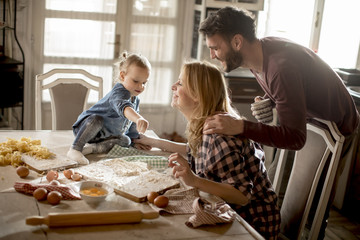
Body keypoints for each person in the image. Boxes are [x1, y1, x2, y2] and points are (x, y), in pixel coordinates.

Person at [198, 6, 360, 238]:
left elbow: (295, 137)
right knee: (280, 191)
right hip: (311, 120)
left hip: (337, 125)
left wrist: (241, 126)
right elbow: (296, 85)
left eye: (215, 48)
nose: (212, 54)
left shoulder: (280, 68)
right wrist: (270, 99)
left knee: (313, 208)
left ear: (236, 42)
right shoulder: (257, 53)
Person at [135, 61, 280, 239]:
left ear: (197, 95)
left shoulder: (219, 136)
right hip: (229, 213)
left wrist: (194, 180)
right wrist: (153, 141)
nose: (173, 86)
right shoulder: (211, 123)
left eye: (180, 83)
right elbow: (194, 150)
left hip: (251, 226)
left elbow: (242, 196)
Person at [67, 51, 152, 165]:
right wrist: (138, 118)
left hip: (104, 137)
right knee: (97, 119)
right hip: (87, 128)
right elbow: (123, 107)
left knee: (126, 140)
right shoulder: (119, 92)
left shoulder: (135, 100)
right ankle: (75, 148)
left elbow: (131, 124)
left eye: (144, 83)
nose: (140, 86)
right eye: (136, 81)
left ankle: (91, 149)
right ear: (122, 76)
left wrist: (134, 140)